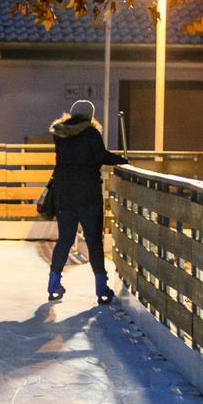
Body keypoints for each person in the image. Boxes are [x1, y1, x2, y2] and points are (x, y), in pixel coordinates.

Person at [47, 99, 128, 304]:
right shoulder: (91, 133)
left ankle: (53, 284)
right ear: (90, 116)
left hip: (64, 195)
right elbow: (100, 156)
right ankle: (101, 288)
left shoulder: (61, 135)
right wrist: (121, 160)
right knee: (93, 241)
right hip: (87, 195)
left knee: (65, 239)